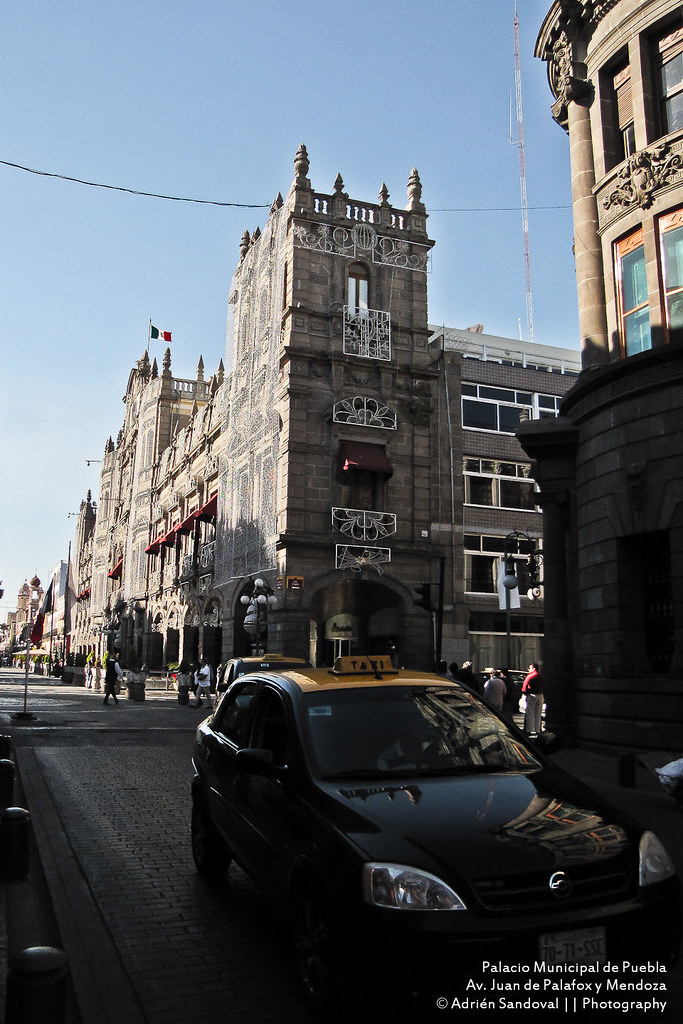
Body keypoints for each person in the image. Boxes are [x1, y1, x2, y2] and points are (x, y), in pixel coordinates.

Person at [522, 662, 544, 735]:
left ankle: (529, 730)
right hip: (540, 695)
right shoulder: (541, 676)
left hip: (531, 695)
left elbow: (525, 685)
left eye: (530, 668)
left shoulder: (530, 676)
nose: (528, 669)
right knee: (538, 714)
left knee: (530, 713)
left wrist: (524, 692)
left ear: (533, 668)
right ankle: (537, 730)